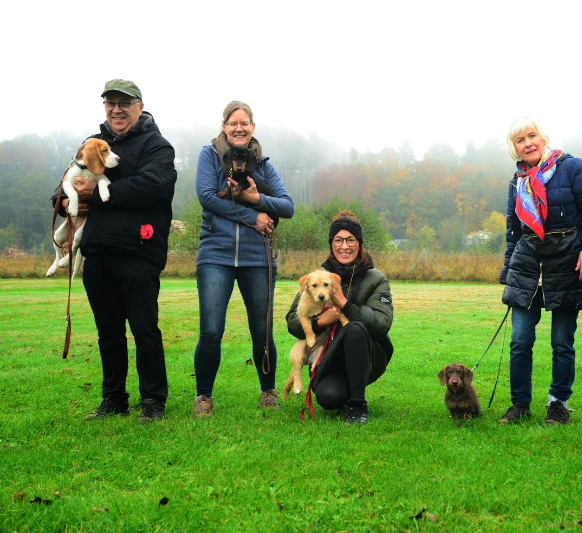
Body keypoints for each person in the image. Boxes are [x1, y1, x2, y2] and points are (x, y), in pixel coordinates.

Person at [52, 79, 177, 422]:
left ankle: (153, 399)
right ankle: (113, 398)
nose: (117, 109)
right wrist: (63, 201)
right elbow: (63, 189)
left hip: (139, 252)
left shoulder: (157, 145)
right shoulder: (92, 144)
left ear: (139, 106)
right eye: (111, 103)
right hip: (98, 253)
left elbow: (155, 186)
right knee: (108, 331)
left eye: (124, 103)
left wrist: (97, 196)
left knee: (144, 329)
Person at [499, 117, 582, 425]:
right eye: (520, 140)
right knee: (520, 340)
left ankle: (557, 404)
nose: (528, 143)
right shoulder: (517, 182)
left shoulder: (572, 167)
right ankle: (519, 405)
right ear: (515, 149)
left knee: (562, 341)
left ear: (543, 137)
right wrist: (508, 272)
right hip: (527, 265)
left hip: (566, 262)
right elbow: (513, 232)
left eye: (532, 136)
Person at [193, 101, 294, 417]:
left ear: (252, 127)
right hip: (215, 254)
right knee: (211, 331)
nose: (239, 128)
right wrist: (253, 216)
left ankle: (268, 392)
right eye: (232, 122)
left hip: (258, 257)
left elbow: (287, 207)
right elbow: (207, 197)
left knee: (262, 331)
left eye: (244, 123)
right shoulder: (208, 156)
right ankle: (204, 397)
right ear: (224, 126)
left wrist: (255, 198)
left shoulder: (263, 164)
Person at [286, 212, 393, 424]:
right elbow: (292, 321)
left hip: (369, 354)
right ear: (331, 244)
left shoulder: (377, 279)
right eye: (338, 240)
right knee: (329, 398)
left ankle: (358, 404)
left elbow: (381, 325)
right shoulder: (318, 277)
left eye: (350, 239)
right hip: (330, 354)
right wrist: (319, 323)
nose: (344, 246)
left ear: (359, 243)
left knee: (354, 328)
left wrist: (345, 304)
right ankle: (343, 392)